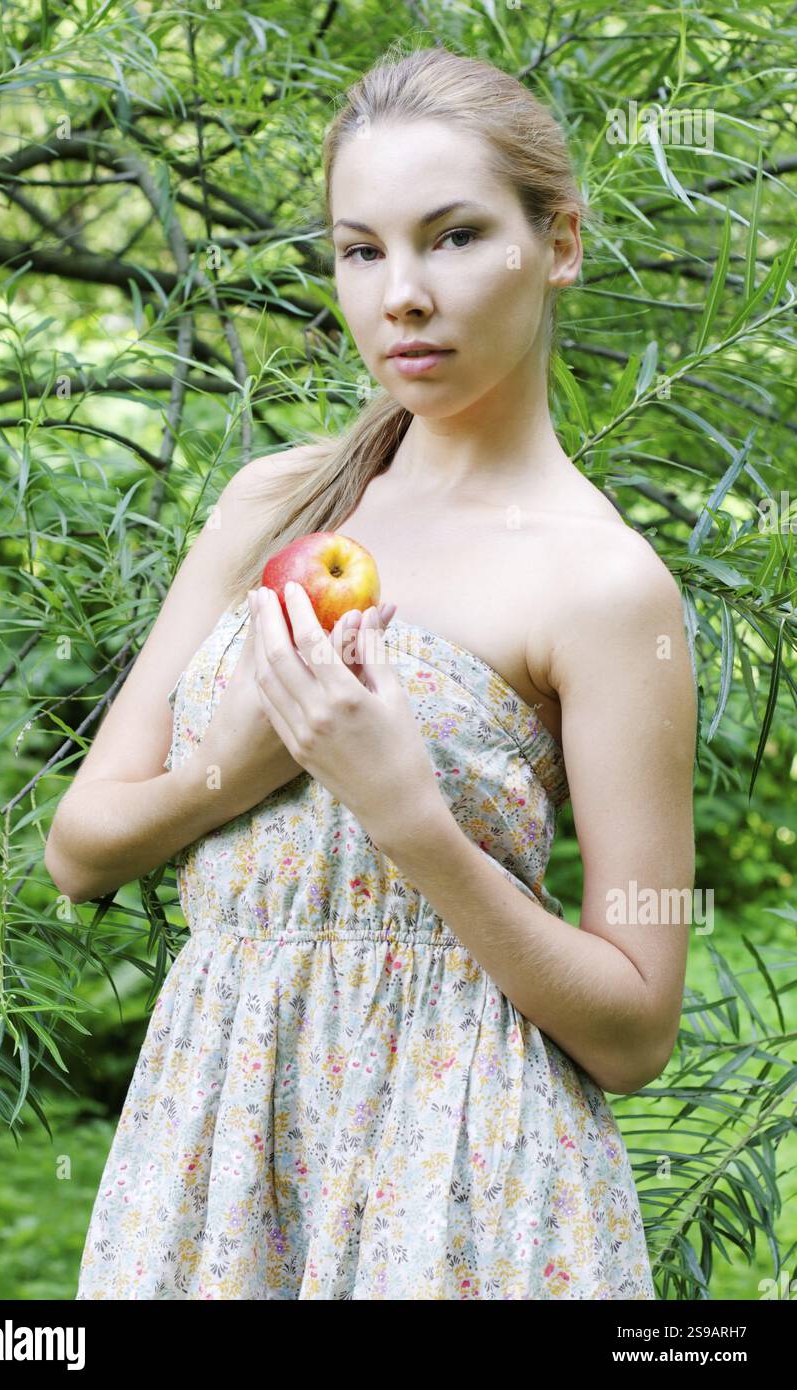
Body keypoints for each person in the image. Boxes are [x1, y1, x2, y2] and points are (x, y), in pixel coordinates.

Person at [54, 44, 696, 1300]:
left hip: (461, 1179)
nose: (401, 294)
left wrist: (410, 819)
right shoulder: (276, 504)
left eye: (454, 238)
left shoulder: (604, 588)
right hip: (214, 1150)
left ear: (555, 243)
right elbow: (80, 847)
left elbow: (634, 1028)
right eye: (361, 249)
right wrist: (228, 767)